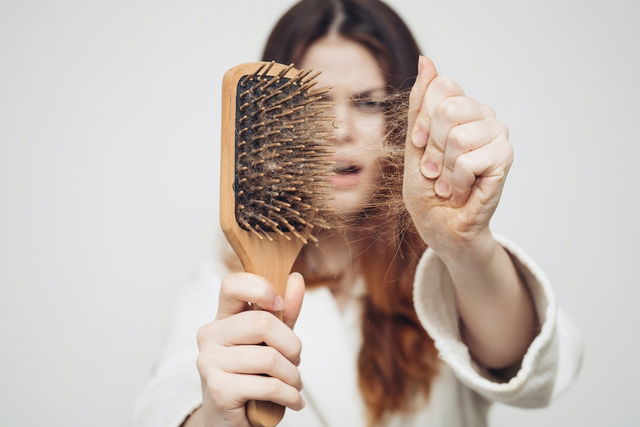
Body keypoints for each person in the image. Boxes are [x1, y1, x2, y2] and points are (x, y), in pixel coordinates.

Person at [133, 1, 583, 426]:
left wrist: (465, 243)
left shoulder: (447, 278)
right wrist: (215, 416)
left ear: (407, 117)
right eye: (313, 104)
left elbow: (527, 364)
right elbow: (170, 399)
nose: (339, 131)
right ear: (269, 123)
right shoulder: (225, 291)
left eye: (368, 102)